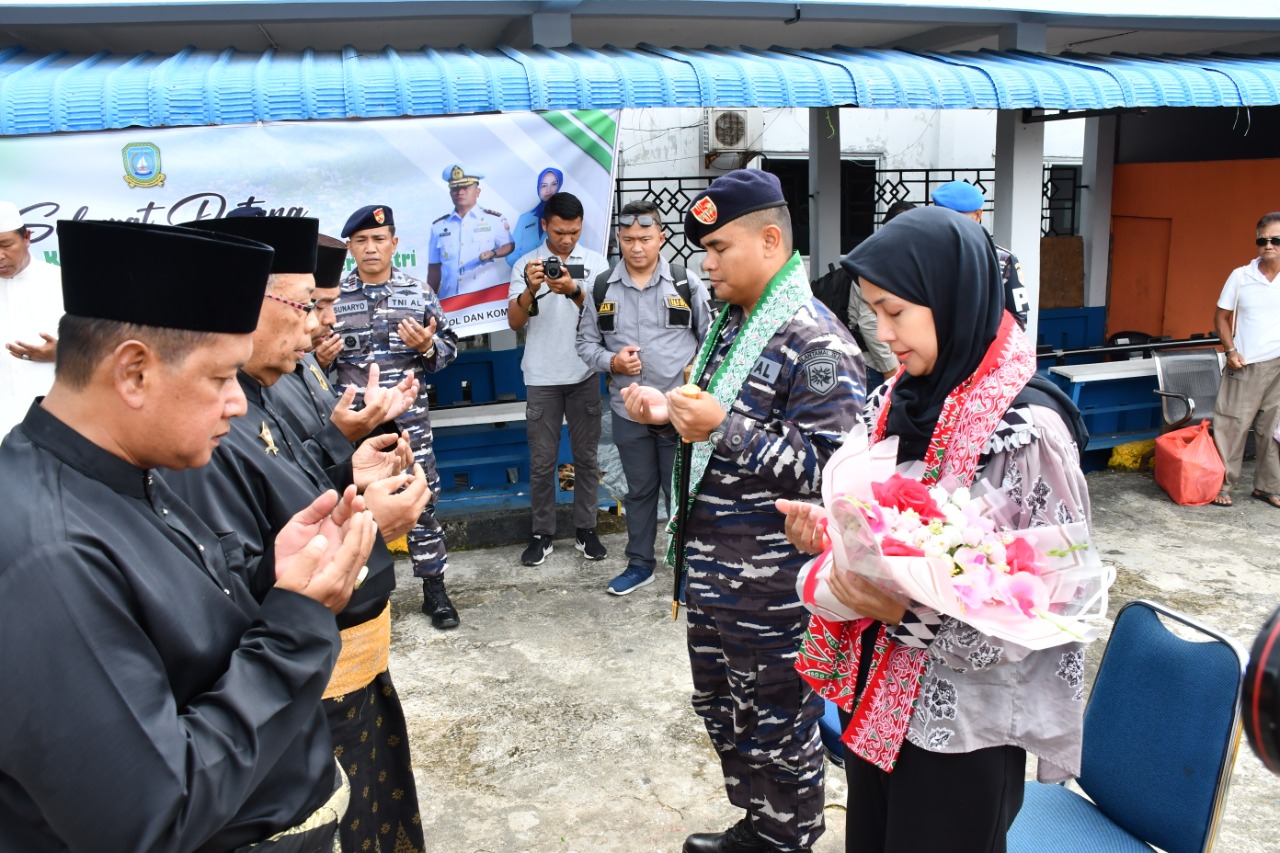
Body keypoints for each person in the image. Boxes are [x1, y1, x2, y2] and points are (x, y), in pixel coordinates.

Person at [0, 218, 377, 852]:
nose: (237, 402)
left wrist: (272, 581)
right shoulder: (49, 552)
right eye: (219, 377)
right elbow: (150, 815)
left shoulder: (134, 475)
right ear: (134, 373)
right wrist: (296, 624)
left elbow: (184, 651)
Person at [781, 206, 1092, 853]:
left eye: (896, 311)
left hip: (963, 730)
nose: (883, 331)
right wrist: (840, 534)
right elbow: (877, 513)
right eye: (873, 311)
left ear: (950, 298)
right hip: (879, 697)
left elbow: (1054, 601)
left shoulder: (1027, 431)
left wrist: (910, 612)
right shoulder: (894, 398)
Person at [162, 212, 431, 853]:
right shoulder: (211, 423)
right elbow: (239, 587)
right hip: (302, 666)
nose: (318, 328)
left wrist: (349, 461)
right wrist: (365, 519)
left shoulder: (275, 382)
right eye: (307, 306)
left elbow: (297, 486)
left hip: (341, 652)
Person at [622, 170, 865, 853]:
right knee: (725, 711)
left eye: (719, 247)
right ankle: (758, 823)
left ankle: (785, 838)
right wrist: (668, 408)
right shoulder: (735, 321)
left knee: (778, 723)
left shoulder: (815, 340)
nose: (706, 261)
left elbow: (831, 469)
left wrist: (719, 427)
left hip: (772, 586)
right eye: (703, 249)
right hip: (715, 572)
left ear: (769, 239)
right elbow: (713, 414)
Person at [576, 198, 712, 595]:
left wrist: (697, 385)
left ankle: (688, 568)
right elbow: (585, 343)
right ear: (619, 238)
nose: (637, 247)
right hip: (628, 410)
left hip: (679, 412)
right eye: (629, 238)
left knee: (682, 492)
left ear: (661, 238)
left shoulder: (685, 282)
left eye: (646, 238)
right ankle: (640, 563)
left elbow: (712, 339)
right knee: (638, 490)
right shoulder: (600, 287)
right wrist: (612, 361)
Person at [337, 204, 463, 628]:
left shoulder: (419, 293)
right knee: (349, 505)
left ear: (394, 243)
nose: (370, 248)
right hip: (351, 427)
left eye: (378, 239)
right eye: (361, 241)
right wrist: (318, 358)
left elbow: (447, 352)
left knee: (421, 501)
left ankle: (435, 590)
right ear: (350, 247)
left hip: (408, 424)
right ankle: (358, 595)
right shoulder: (333, 298)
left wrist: (428, 347)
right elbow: (304, 363)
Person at [508, 191, 611, 567]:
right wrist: (530, 290)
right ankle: (542, 534)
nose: (567, 239)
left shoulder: (596, 263)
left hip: (583, 373)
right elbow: (515, 323)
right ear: (544, 226)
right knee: (542, 461)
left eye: (574, 231)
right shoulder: (526, 263)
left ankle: (586, 529)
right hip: (541, 375)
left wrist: (575, 291)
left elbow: (606, 319)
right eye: (559, 231)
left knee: (586, 458)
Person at [268, 233, 418, 471]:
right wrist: (340, 436)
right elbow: (278, 476)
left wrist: (370, 416)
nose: (331, 319)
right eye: (315, 306)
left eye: (332, 305)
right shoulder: (261, 380)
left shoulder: (305, 361)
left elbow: (324, 426)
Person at [1211, 211, 1280, 508]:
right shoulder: (1241, 277)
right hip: (1246, 364)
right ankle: (1222, 485)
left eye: (1276, 239)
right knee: (1232, 426)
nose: (1268, 245)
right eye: (1262, 239)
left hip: (1278, 366)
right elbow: (1221, 317)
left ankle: (1267, 486)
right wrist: (1230, 351)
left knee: (1273, 430)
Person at [0, 200, 63, 434]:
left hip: (57, 430)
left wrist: (63, 352)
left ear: (27, 237)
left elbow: (105, 349)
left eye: (6, 245)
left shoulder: (63, 282)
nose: (0, 256)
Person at [931, 180, 1029, 328]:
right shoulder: (925, 256)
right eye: (942, 216)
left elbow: (1018, 319)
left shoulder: (1002, 259)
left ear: (977, 215)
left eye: (957, 217)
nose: (949, 223)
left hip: (986, 348)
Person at [428, 164, 516, 300]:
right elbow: (434, 268)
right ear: (450, 192)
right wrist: (429, 302)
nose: (460, 192)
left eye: (465, 187)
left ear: (477, 192)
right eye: (455, 188)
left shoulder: (493, 219)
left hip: (485, 301)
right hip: (450, 300)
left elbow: (509, 245)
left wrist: (494, 253)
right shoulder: (438, 226)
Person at [509, 166, 563, 267]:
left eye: (554, 184)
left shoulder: (568, 216)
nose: (548, 190)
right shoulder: (525, 218)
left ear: (559, 185)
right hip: (526, 278)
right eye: (543, 185)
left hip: (557, 279)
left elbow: (576, 259)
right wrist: (527, 269)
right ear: (538, 188)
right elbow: (511, 254)